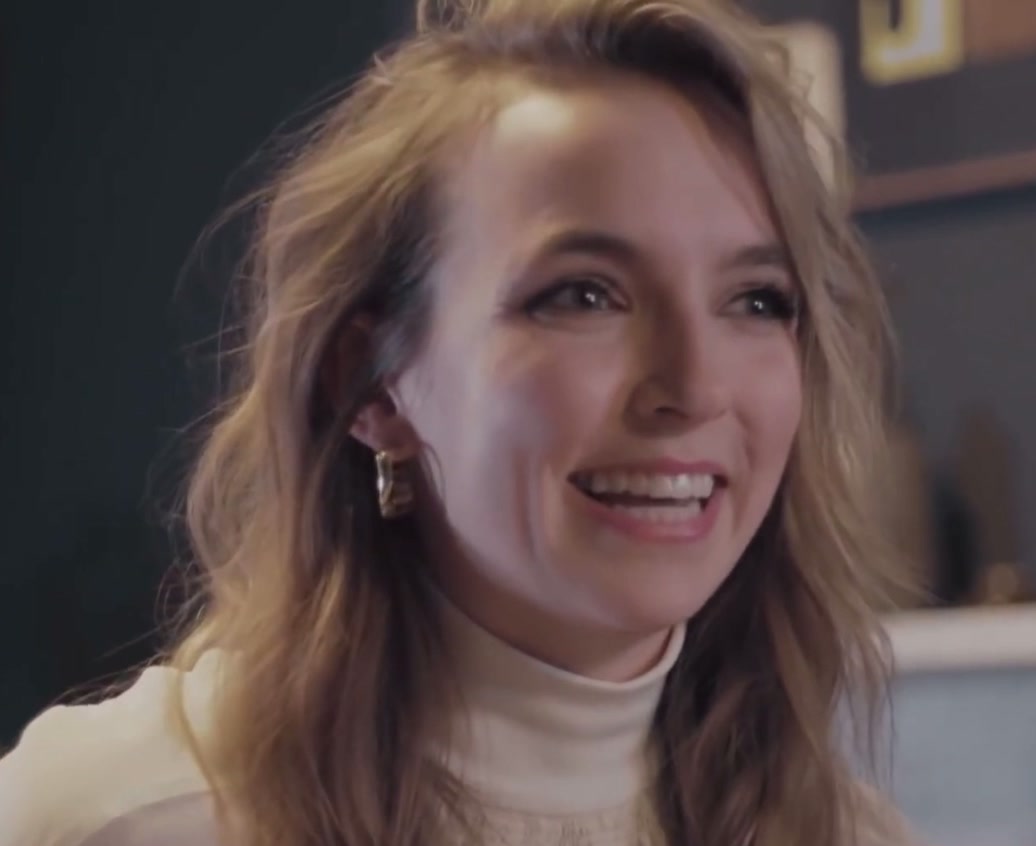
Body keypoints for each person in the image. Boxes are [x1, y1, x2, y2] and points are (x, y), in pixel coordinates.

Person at [0, 0, 910, 843]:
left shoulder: (842, 834)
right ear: (372, 383)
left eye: (756, 300)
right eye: (584, 295)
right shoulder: (119, 816)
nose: (696, 387)